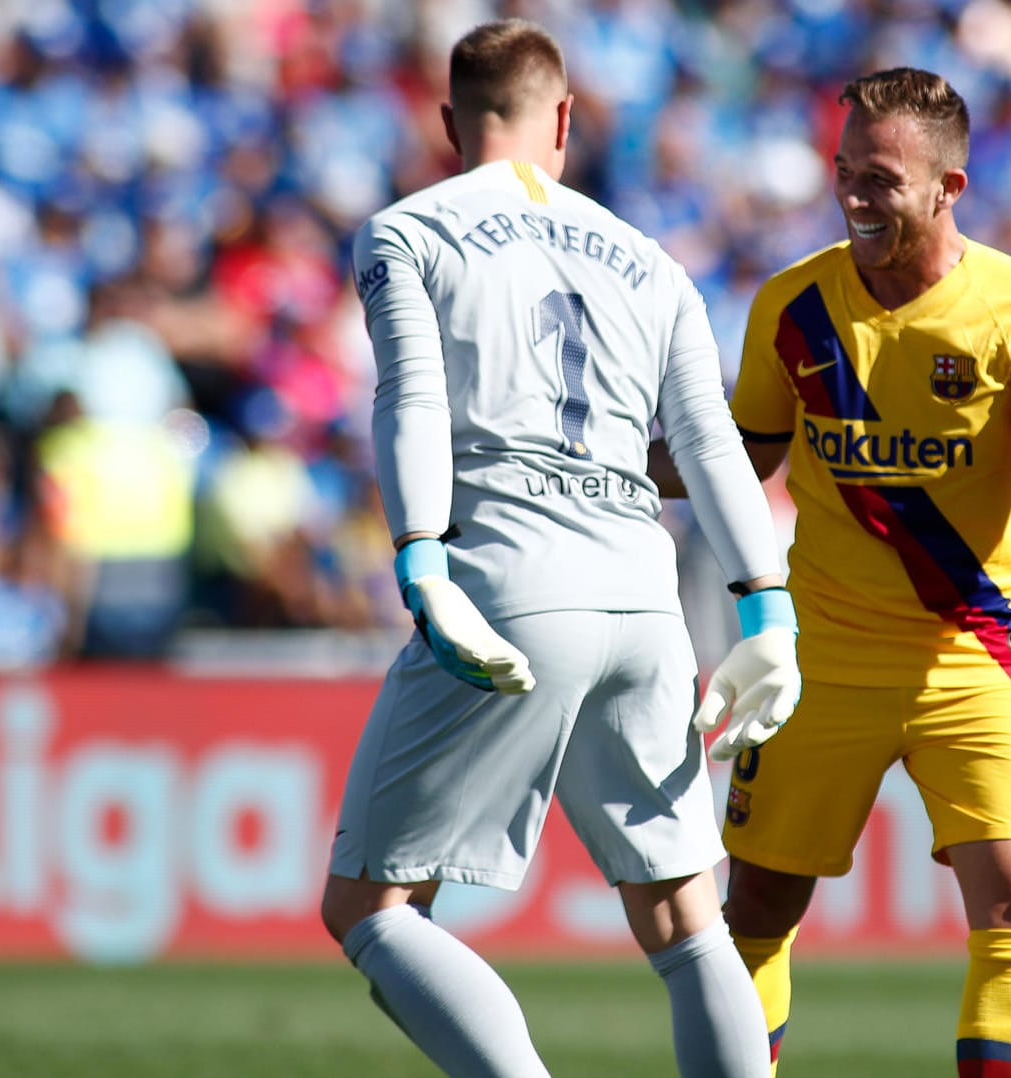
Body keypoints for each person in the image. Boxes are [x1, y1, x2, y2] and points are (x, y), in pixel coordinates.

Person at [319, 19, 801, 1078]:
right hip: (644, 598)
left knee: (371, 904)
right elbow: (710, 443)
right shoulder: (651, 259)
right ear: (566, 118)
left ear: (448, 122)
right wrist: (767, 606)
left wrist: (420, 557)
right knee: (684, 918)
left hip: (509, 583)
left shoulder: (409, 230)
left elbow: (410, 399)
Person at [656, 67, 1011, 1076]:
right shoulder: (794, 305)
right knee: (757, 908)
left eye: (881, 180)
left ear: (950, 186)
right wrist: (592, 461)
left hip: (975, 656)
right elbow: (741, 460)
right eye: (843, 172)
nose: (854, 196)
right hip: (821, 658)